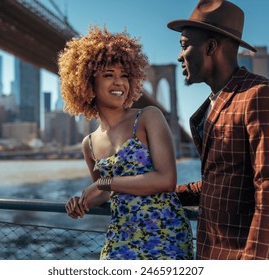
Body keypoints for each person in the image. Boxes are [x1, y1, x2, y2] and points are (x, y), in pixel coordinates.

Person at [167, 0, 269, 260]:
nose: (179, 56)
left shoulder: (263, 95)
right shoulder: (210, 106)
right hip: (216, 254)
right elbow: (221, 181)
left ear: (210, 47)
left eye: (184, 46)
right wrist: (153, 191)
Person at [58, 25, 193, 260]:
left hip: (164, 233)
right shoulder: (88, 143)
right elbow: (105, 193)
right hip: (121, 234)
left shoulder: (149, 116)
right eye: (109, 75)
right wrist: (82, 200)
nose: (119, 82)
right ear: (88, 84)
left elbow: (166, 180)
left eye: (124, 75)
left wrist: (104, 182)